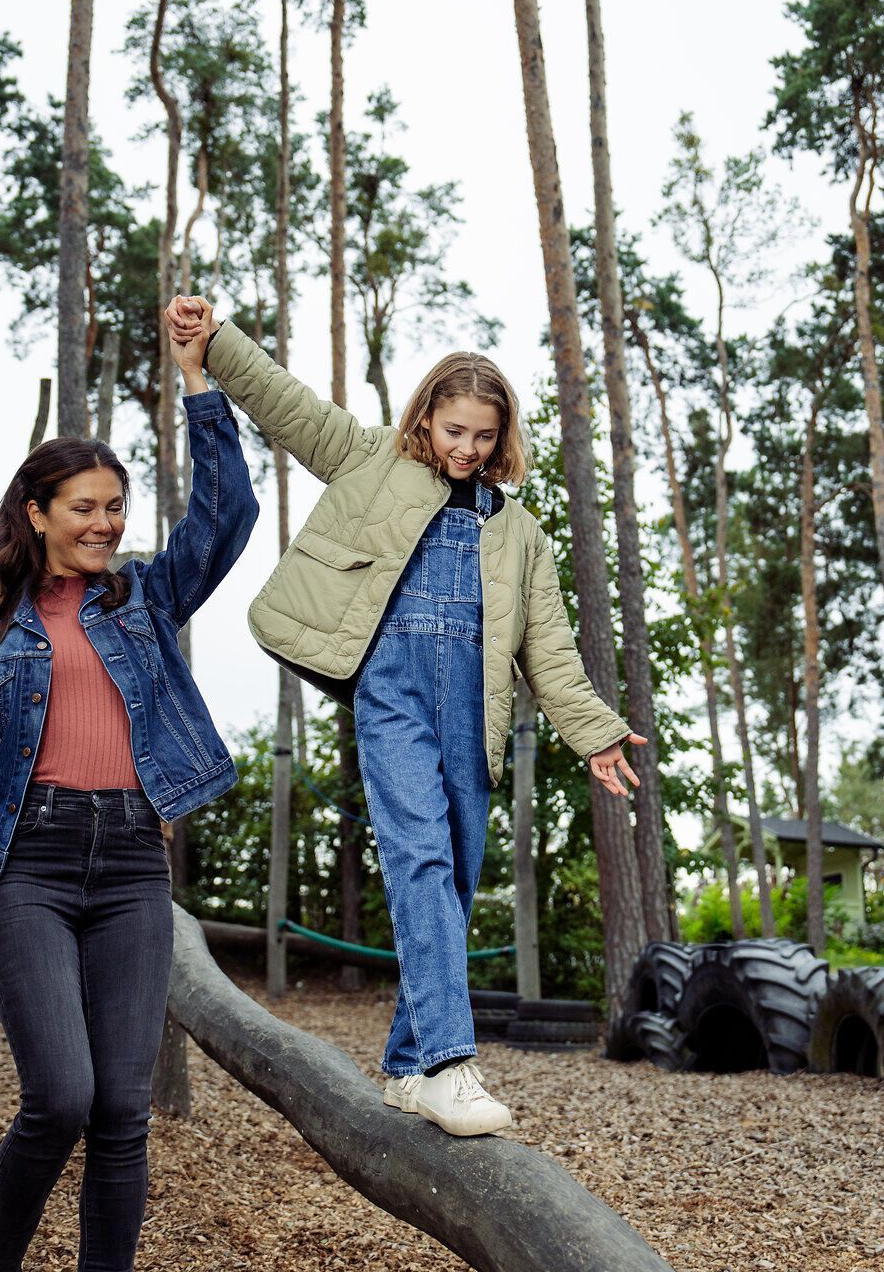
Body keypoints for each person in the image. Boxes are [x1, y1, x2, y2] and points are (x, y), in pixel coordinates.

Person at [165, 294, 646, 1138]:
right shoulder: (368, 459)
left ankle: (404, 1066)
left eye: (483, 436)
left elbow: (552, 652)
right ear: (426, 417)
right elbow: (286, 401)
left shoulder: (521, 535)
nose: (466, 448)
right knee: (419, 860)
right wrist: (217, 343)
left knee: (453, 882)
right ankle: (452, 1064)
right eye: (453, 429)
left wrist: (596, 731)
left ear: (503, 440)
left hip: (473, 709)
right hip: (391, 693)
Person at [0, 334, 257, 1270]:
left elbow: (229, 511)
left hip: (129, 861)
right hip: (28, 865)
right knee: (64, 1098)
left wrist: (198, 381)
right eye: (85, 508)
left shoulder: (144, 598)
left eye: (116, 508)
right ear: (36, 514)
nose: (106, 524)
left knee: (123, 1111)